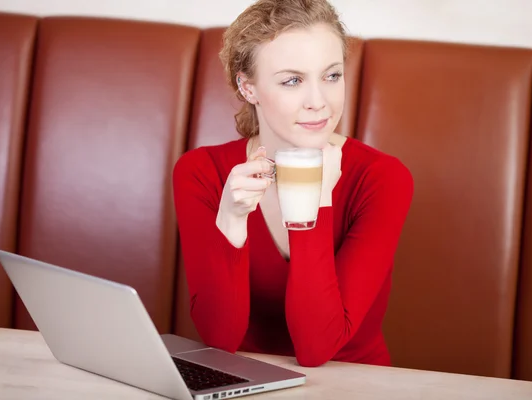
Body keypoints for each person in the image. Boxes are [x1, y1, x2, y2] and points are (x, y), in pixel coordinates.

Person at [172, 0, 413, 368]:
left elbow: (317, 348)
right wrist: (233, 221)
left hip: (353, 385)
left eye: (331, 76)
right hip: (246, 382)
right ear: (248, 87)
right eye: (292, 81)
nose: (319, 102)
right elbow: (220, 339)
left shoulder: (382, 178)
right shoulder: (202, 172)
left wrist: (315, 203)